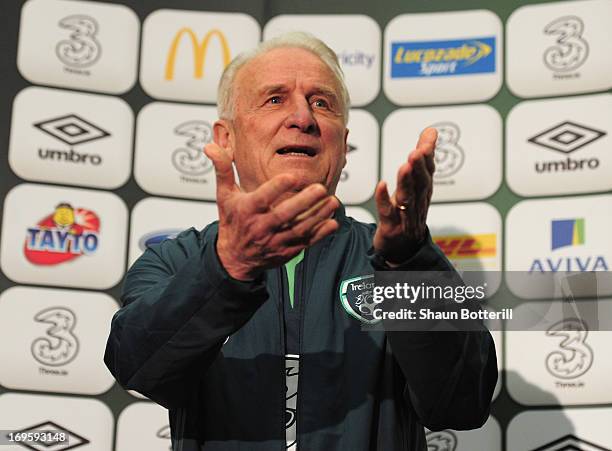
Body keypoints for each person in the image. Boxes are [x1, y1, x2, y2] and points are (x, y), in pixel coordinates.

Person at [104, 32, 497, 451]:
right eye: (274, 99)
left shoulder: (398, 260)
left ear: (343, 147)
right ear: (226, 138)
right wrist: (228, 269)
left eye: (321, 103)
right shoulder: (176, 261)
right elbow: (137, 367)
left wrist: (411, 263)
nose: (302, 118)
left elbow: (462, 403)